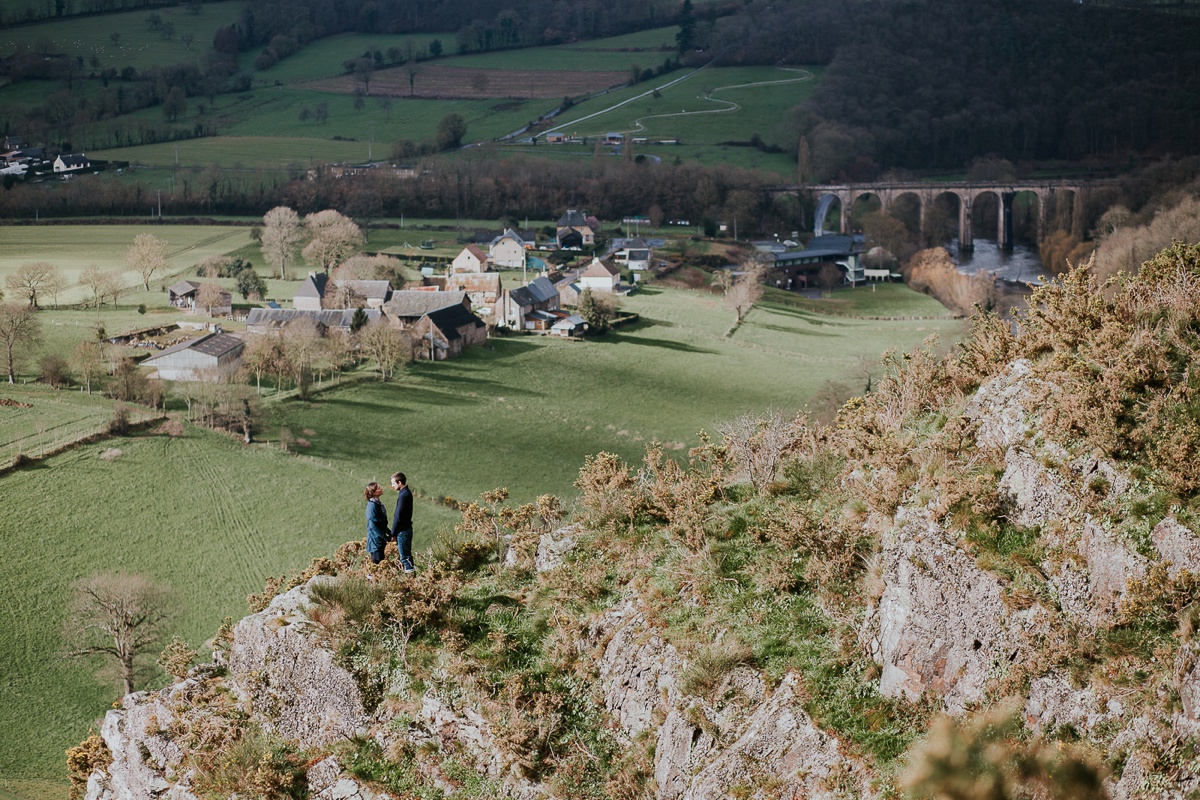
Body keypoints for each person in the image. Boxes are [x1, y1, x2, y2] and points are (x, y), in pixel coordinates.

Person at [390, 471, 415, 574]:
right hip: (406, 529)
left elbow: (398, 516)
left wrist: (393, 533)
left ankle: (410, 580)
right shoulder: (406, 493)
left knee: (405, 558)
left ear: (400, 483)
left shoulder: (403, 495)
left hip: (402, 531)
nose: (392, 485)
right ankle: (412, 578)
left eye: (393, 483)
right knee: (407, 556)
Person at [364, 481, 389, 565]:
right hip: (375, 541)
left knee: (379, 562)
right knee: (376, 563)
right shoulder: (372, 506)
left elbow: (381, 524)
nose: (381, 488)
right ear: (373, 493)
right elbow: (373, 526)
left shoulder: (377, 504)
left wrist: (390, 533)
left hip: (378, 540)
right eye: (378, 488)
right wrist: (386, 537)